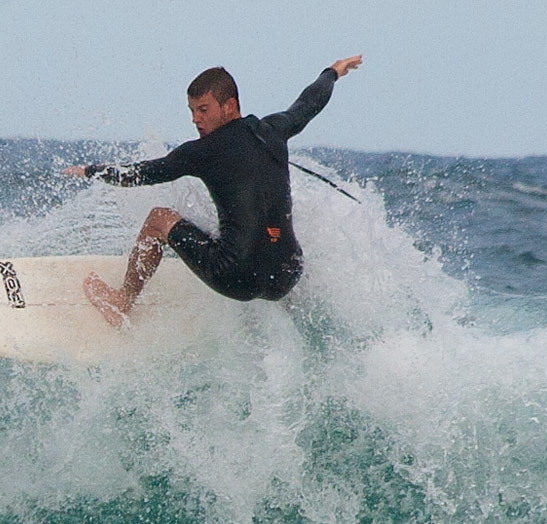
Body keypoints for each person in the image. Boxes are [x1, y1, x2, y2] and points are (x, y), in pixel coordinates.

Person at [64, 55, 362, 326]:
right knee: (271, 238)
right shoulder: (274, 130)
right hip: (286, 276)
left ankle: (122, 301)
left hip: (236, 276)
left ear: (229, 106)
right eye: (192, 111)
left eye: (203, 110)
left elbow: (145, 173)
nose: (196, 119)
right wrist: (332, 72)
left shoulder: (202, 151)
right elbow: (308, 105)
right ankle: (283, 316)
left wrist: (91, 171)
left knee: (158, 219)